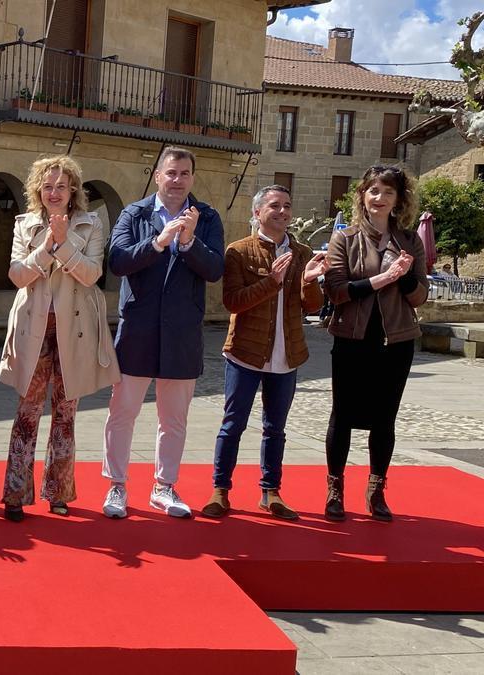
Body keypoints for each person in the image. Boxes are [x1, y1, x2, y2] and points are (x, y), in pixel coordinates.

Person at [101, 146, 224, 519]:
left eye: (184, 174)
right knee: (122, 413)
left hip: (182, 333)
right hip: (137, 330)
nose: (177, 180)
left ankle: (164, 486)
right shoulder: (134, 213)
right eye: (170, 173)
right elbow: (118, 262)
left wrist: (187, 242)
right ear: (157, 176)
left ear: (192, 178)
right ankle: (117, 486)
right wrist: (158, 242)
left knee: (173, 419)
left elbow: (215, 269)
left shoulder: (207, 218)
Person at [0, 156, 120, 522]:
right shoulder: (25, 224)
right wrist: (47, 246)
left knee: (65, 415)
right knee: (27, 413)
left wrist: (65, 244)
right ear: (38, 190)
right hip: (33, 330)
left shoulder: (91, 224)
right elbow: (17, 275)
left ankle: (59, 492)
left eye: (61, 186)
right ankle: (15, 493)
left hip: (75, 332)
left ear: (73, 192)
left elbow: (93, 274)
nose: (54, 192)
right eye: (48, 186)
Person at [199, 185, 327, 521]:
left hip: (287, 355)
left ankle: (271, 492)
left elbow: (311, 307)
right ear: (257, 212)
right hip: (245, 352)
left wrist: (311, 282)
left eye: (287, 205)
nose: (283, 211)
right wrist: (272, 281)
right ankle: (220, 490)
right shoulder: (238, 251)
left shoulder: (302, 252)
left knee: (275, 428)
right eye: (275, 206)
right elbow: (233, 302)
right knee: (233, 424)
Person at [322, 165, 428, 522]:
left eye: (388, 192)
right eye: (373, 191)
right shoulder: (345, 239)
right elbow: (337, 292)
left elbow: (419, 298)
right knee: (343, 416)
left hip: (395, 341)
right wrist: (383, 278)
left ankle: (376, 490)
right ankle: (335, 489)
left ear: (398, 200)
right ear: (362, 197)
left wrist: (406, 278)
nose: (379, 198)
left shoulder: (410, 240)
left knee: (385, 419)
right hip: (352, 338)